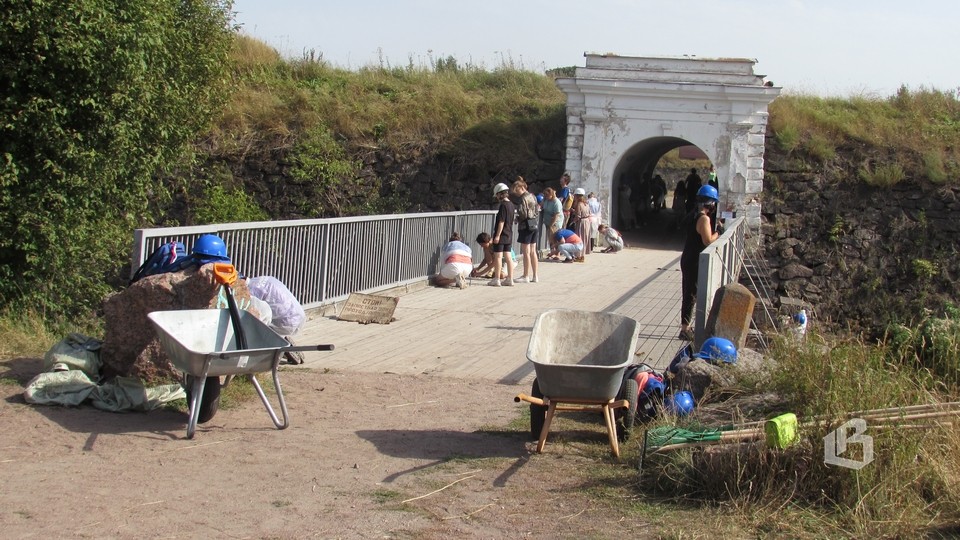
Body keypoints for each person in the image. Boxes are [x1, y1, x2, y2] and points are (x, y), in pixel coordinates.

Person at [679, 184, 722, 340]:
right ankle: (685, 329)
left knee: (688, 292)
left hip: (687, 257)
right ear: (710, 203)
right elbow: (707, 240)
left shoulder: (693, 215)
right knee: (691, 294)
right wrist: (718, 232)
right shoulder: (703, 219)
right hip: (695, 260)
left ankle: (686, 327)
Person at [511, 177, 540, 283]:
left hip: (525, 226)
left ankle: (525, 275)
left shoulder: (523, 198)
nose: (516, 192)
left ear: (522, 187)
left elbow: (523, 213)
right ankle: (535, 275)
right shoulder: (533, 196)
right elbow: (536, 210)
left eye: (517, 190)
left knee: (526, 251)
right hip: (534, 224)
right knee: (533, 251)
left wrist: (517, 218)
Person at [488, 182, 515, 287]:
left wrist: (497, 235)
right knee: (508, 256)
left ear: (500, 194)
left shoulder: (503, 205)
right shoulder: (511, 205)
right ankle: (510, 279)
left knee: (498, 256)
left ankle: (497, 279)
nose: (497, 198)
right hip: (509, 234)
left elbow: (501, 221)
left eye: (497, 195)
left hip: (502, 234)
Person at [540, 187, 564, 260]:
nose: (546, 197)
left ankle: (557, 253)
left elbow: (556, 215)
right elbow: (541, 205)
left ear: (551, 194)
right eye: (545, 195)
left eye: (548, 195)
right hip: (548, 221)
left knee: (555, 237)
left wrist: (552, 224)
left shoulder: (556, 202)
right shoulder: (546, 200)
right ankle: (552, 252)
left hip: (556, 222)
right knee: (550, 238)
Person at [569, 188, 592, 257]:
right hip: (587, 221)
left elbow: (578, 216)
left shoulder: (579, 204)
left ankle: (579, 255)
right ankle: (583, 254)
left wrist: (572, 222)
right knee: (585, 238)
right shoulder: (586, 204)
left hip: (581, 222)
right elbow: (589, 213)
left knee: (580, 238)